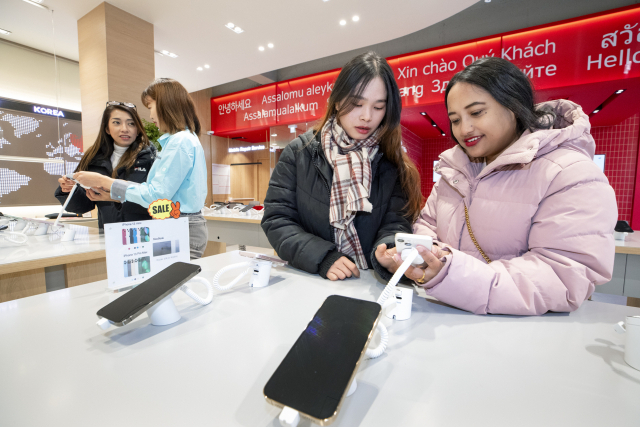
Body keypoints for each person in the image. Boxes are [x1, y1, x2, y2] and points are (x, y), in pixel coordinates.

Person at [376, 57, 617, 315]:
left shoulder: (569, 173)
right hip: (449, 322)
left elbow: (562, 276)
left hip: (522, 337)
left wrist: (450, 274)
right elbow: (428, 227)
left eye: (477, 112)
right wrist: (416, 258)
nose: (464, 128)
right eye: (455, 119)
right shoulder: (453, 172)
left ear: (514, 106)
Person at [261, 51, 423, 281]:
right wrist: (323, 257)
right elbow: (276, 219)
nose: (367, 116)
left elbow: (395, 224)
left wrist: (387, 251)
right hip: (309, 279)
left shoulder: (391, 162)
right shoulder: (300, 152)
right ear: (337, 101)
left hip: (368, 283)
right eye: (357, 103)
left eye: (378, 107)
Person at [73, 78, 208, 259]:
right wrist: (113, 194)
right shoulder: (181, 140)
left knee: (170, 285)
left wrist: (105, 181)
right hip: (175, 224)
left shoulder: (179, 142)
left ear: (165, 105)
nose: (151, 116)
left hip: (179, 226)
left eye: (150, 106)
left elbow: (156, 195)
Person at [55, 102, 155, 229]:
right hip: (108, 236)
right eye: (116, 122)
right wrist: (68, 190)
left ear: (138, 129)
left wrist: (117, 198)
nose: (125, 128)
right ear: (107, 128)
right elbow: (83, 206)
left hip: (144, 236)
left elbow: (159, 202)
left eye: (131, 123)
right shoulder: (93, 158)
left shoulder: (151, 157)